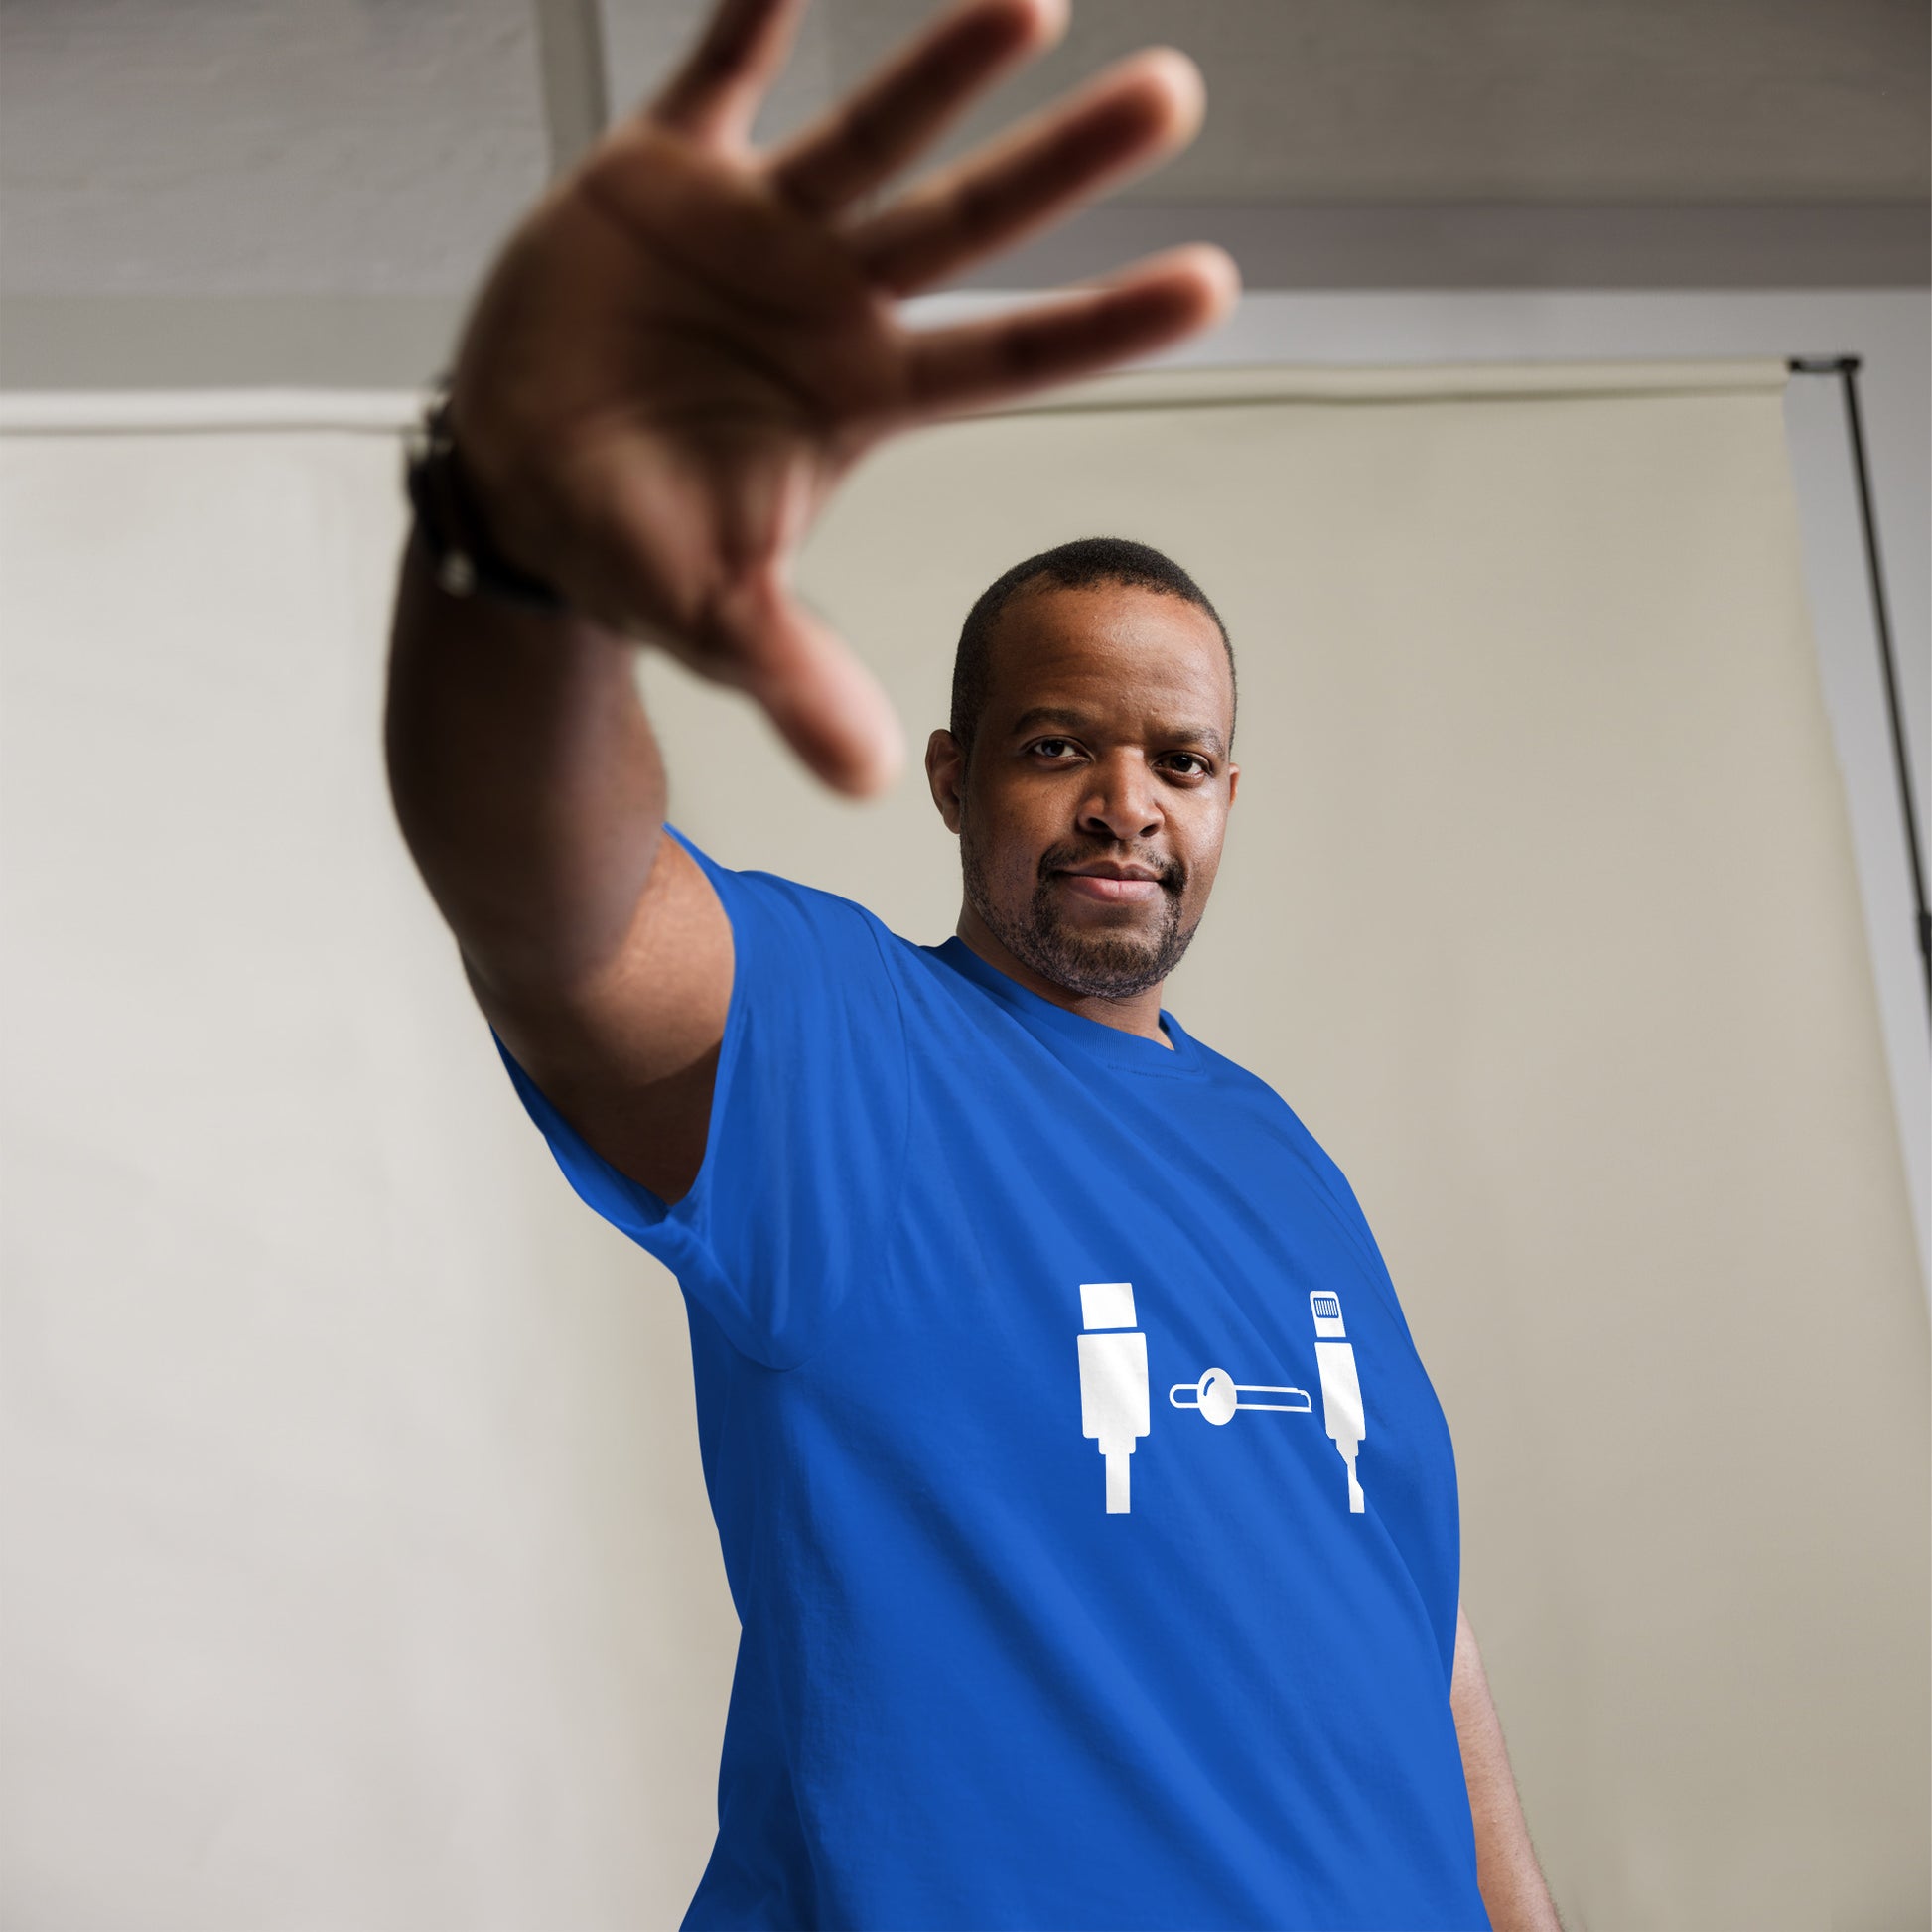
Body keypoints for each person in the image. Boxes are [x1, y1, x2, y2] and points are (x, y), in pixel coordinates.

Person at [383, 0, 1561, 1925]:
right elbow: (560, 917)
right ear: (953, 776)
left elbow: (1415, 1623)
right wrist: (522, 547)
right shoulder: (855, 1053)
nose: (1124, 800)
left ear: (1228, 797)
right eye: (1054, 745)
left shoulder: (1284, 1160)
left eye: (1176, 761)